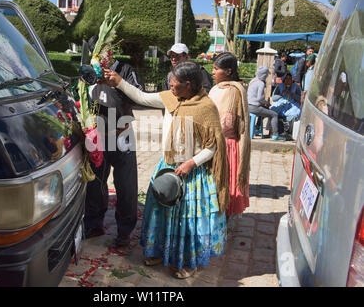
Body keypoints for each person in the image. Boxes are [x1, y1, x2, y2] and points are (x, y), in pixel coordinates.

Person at [103, 60, 229, 279]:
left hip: (191, 173)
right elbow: (141, 97)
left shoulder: (206, 108)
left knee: (187, 221)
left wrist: (191, 163)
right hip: (167, 167)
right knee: (160, 213)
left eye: (175, 82)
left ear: (188, 85)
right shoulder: (171, 98)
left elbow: (212, 146)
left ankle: (188, 262)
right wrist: (119, 82)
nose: (170, 84)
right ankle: (158, 252)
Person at [83, 57, 143, 248]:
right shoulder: (90, 71)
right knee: (95, 182)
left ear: (111, 52)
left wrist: (118, 82)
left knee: (125, 184)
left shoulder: (124, 69)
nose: (101, 59)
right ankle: (93, 225)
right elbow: (82, 98)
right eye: (97, 55)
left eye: (104, 54)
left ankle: (124, 231)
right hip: (98, 136)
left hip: (122, 134)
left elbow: (138, 96)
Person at [209, 52, 251, 218]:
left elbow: (227, 123)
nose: (212, 72)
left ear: (228, 71)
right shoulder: (215, 89)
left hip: (226, 145)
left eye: (216, 69)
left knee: (224, 184)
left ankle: (223, 221)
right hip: (214, 141)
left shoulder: (234, 91)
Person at [247, 66, 285, 141]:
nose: (267, 76)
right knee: (274, 114)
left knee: (265, 111)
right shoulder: (260, 83)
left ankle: (257, 127)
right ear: (264, 75)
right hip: (255, 107)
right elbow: (259, 98)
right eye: (267, 74)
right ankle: (275, 135)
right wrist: (267, 103)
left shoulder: (253, 80)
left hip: (248, 106)